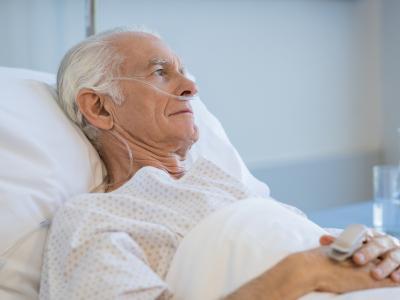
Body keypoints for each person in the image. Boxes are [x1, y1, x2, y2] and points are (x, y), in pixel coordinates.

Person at [40, 27, 400, 300]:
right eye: (160, 73)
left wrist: (378, 250)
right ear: (99, 108)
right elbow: (306, 264)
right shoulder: (95, 219)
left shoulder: (225, 186)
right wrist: (301, 273)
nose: (191, 88)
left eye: (185, 72)